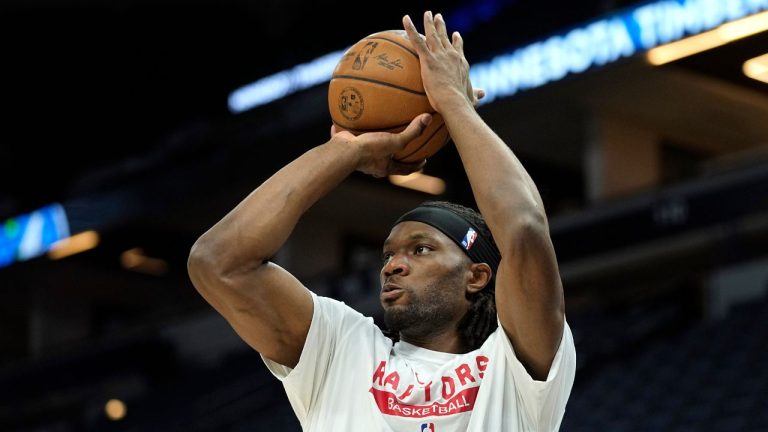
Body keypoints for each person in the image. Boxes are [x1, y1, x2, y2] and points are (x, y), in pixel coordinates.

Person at [188, 11, 575, 431]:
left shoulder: (513, 366)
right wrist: (344, 152)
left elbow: (524, 229)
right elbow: (218, 262)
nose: (392, 264)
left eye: (421, 249)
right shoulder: (340, 348)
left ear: (478, 276)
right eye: (388, 254)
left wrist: (452, 102)